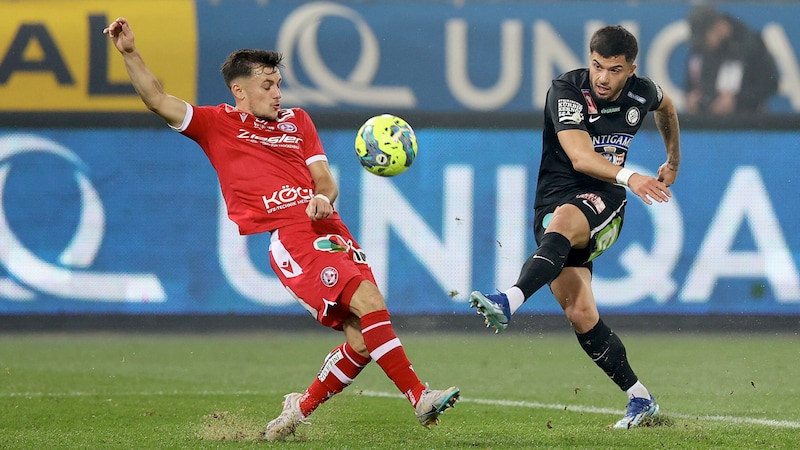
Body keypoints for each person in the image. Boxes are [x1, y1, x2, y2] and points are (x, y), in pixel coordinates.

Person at [103, 17, 459, 441]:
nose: (277, 92)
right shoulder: (215, 123)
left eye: (278, 83)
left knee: (363, 340)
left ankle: (297, 409)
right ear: (239, 90)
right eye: (267, 84)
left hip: (328, 226)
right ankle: (419, 396)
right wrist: (129, 52)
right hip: (289, 236)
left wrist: (324, 196)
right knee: (369, 300)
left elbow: (324, 177)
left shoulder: (298, 122)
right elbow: (157, 99)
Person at [469, 25, 680, 429]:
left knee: (567, 219)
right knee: (580, 311)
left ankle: (509, 299)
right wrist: (632, 176)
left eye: (615, 70)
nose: (603, 77)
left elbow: (667, 109)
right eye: (597, 65)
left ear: (631, 70)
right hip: (554, 200)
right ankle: (641, 399)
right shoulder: (566, 91)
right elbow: (580, 157)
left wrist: (672, 161)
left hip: (605, 201)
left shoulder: (643, 92)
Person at [685, 5, 778, 115]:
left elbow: (770, 83)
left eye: (704, 38)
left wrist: (737, 99)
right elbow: (691, 82)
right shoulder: (701, 50)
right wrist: (691, 95)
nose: (703, 44)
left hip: (746, 123)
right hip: (707, 123)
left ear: (718, 26)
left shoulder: (752, 46)